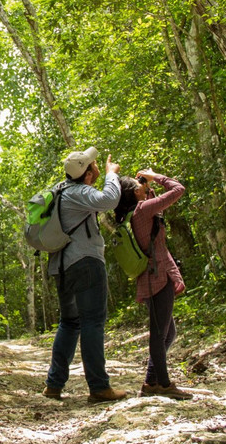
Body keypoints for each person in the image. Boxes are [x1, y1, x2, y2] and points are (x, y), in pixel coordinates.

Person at [43, 146, 127, 404]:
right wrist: (112, 175)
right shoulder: (80, 192)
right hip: (85, 263)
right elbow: (110, 200)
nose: (97, 166)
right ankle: (99, 387)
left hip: (62, 265)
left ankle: (54, 385)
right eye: (94, 165)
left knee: (70, 323)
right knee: (92, 322)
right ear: (89, 173)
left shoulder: (60, 190)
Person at [124, 167, 192, 400]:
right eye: (138, 184)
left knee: (168, 332)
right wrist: (157, 177)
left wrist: (147, 185)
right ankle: (162, 384)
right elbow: (178, 189)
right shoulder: (142, 209)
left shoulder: (138, 211)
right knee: (159, 333)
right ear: (133, 193)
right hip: (157, 277)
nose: (143, 184)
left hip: (156, 275)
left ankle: (151, 380)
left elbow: (157, 212)